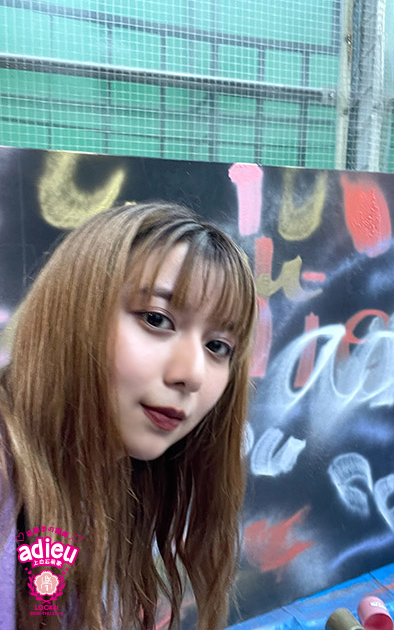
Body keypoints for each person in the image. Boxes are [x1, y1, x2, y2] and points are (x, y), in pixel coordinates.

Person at [0, 202, 258, 630]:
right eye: (156, 319)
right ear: (73, 310)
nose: (192, 374)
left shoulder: (125, 474)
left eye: (217, 346)